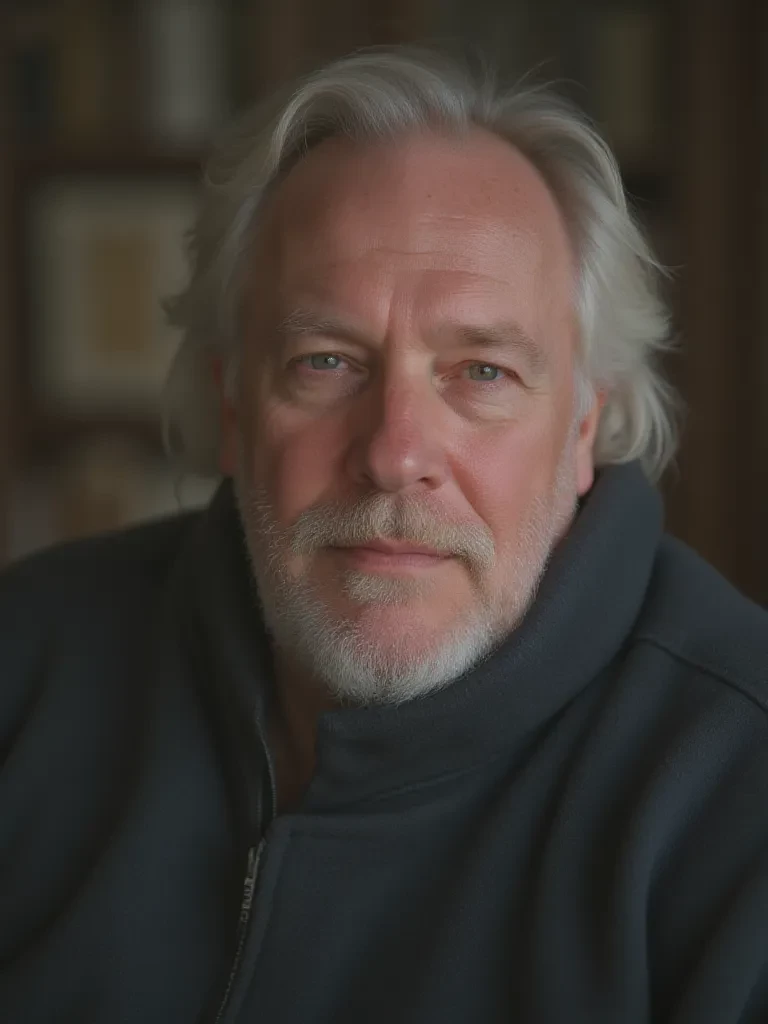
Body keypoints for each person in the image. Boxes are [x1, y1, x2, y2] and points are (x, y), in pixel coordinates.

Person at [1, 46, 767, 1024]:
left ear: (584, 428)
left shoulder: (741, 785)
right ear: (233, 408)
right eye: (326, 361)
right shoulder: (25, 660)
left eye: (482, 372)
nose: (396, 454)